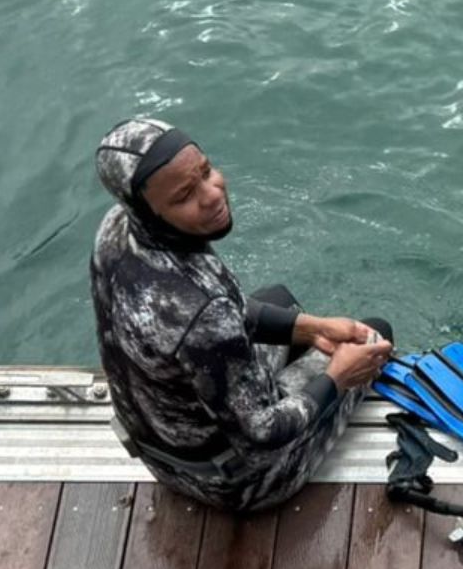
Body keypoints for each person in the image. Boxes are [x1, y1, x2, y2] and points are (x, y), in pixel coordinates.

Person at [90, 118, 392, 513]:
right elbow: (262, 436)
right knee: (374, 337)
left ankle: (306, 351)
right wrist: (337, 377)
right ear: (149, 212)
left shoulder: (115, 229)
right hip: (238, 481)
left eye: (206, 171)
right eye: (185, 195)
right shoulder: (204, 314)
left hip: (162, 445)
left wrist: (311, 328)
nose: (213, 194)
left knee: (280, 301)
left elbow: (210, 315)